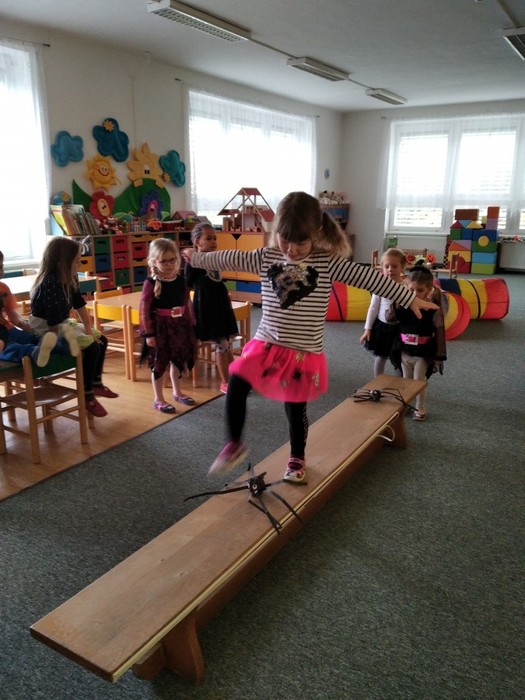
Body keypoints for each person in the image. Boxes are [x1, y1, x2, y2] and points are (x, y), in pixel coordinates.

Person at [182, 191, 438, 482]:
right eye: (285, 240)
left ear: (315, 234)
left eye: (300, 242)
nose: (291, 249)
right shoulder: (266, 257)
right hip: (266, 342)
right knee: (237, 379)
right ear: (276, 232)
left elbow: (370, 279)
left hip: (302, 350)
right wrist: (197, 257)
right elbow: (230, 257)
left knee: (294, 407)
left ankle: (297, 459)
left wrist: (409, 298)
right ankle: (234, 443)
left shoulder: (327, 262)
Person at [29, 237, 118, 418]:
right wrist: (57, 344)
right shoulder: (50, 282)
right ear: (62, 262)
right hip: (46, 328)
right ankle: (87, 394)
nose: (80, 264)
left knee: (101, 339)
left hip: (61, 322)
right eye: (77, 261)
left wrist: (89, 330)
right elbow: (53, 318)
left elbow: (79, 304)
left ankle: (95, 384)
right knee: (92, 347)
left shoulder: (71, 277)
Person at [140, 237, 196, 413]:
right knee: (159, 363)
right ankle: (158, 399)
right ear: (154, 262)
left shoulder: (180, 280)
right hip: (160, 328)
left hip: (179, 326)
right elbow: (144, 310)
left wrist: (192, 324)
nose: (169, 264)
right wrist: (149, 334)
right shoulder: (150, 283)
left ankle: (177, 392)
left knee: (178, 361)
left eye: (172, 260)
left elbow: (187, 303)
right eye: (164, 261)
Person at [387, 264, 446, 421]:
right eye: (411, 289)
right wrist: (396, 302)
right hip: (404, 349)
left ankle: (420, 407)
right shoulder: (403, 306)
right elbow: (390, 319)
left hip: (422, 351)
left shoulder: (433, 309)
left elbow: (440, 331)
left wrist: (439, 355)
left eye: (419, 290)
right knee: (406, 381)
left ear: (428, 290)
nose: (414, 293)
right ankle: (407, 404)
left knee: (418, 381)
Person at [185, 223, 239, 394]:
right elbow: (187, 287)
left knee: (226, 345)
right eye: (208, 238)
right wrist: (187, 309)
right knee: (221, 345)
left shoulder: (215, 258)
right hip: (208, 310)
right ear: (197, 242)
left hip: (221, 306)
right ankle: (226, 382)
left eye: (214, 238)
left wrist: (225, 295)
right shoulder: (192, 263)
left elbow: (216, 282)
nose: (214, 242)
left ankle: (233, 379)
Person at [360, 247, 407, 377]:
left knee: (398, 358)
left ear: (402, 267)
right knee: (381, 356)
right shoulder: (380, 287)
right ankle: (378, 380)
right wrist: (367, 329)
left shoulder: (405, 287)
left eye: (394, 266)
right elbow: (373, 308)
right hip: (383, 328)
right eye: (387, 266)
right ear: (382, 268)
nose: (390, 269)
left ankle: (399, 383)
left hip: (399, 329)